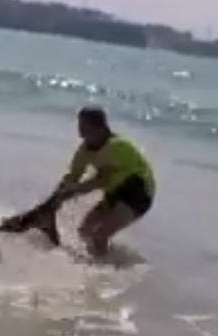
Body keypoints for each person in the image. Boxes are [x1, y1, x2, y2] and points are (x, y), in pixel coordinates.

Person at [54, 106, 155, 256]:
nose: (80, 132)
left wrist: (75, 189)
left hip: (138, 193)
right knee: (84, 231)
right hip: (115, 192)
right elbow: (72, 177)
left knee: (100, 235)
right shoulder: (85, 150)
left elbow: (101, 180)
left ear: (101, 128)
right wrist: (56, 199)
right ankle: (104, 259)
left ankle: (103, 272)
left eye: (84, 127)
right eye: (79, 125)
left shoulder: (118, 146)